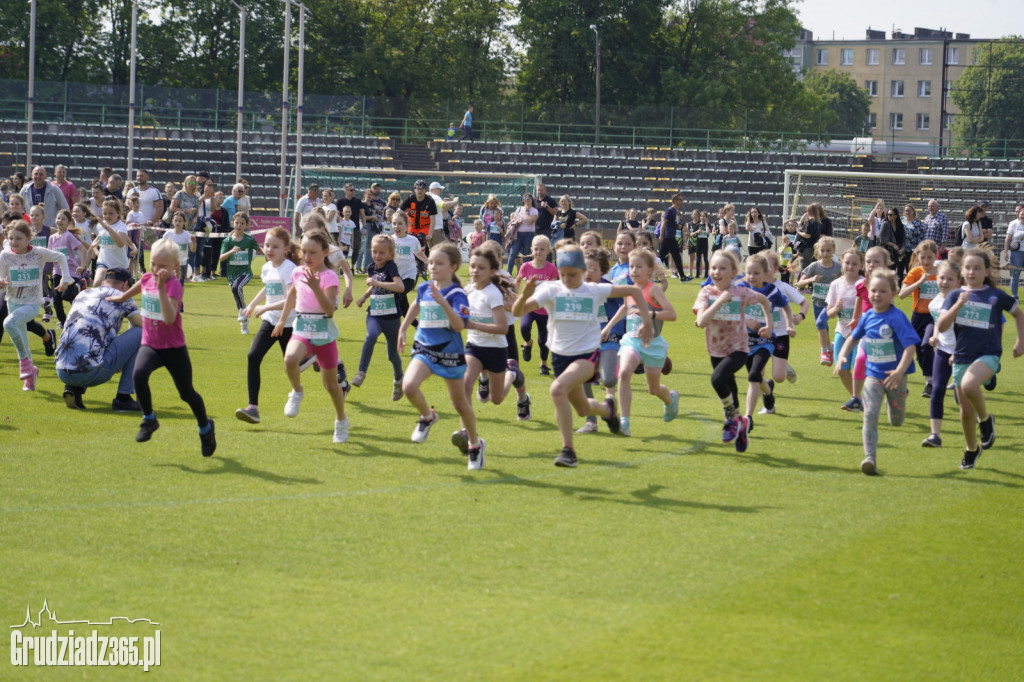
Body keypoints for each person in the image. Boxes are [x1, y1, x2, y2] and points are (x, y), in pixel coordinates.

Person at [512, 244, 651, 467]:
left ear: (583, 271)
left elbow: (634, 291)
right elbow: (517, 312)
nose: (567, 279)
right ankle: (607, 409)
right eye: (563, 274)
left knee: (557, 390)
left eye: (573, 275)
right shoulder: (551, 289)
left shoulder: (593, 290)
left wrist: (646, 323)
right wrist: (524, 296)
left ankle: (569, 451)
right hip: (559, 357)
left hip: (587, 354)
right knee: (583, 408)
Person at [105, 238, 216, 456]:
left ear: (176, 266)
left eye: (162, 266)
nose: (157, 269)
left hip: (174, 348)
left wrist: (163, 289)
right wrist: (121, 297)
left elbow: (168, 318)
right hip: (151, 345)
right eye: (154, 264)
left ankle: (205, 428)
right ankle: (149, 420)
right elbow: (140, 285)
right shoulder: (147, 277)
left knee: (187, 394)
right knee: (138, 375)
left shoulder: (174, 285)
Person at [397, 243, 485, 469]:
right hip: (424, 348)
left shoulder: (457, 294)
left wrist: (443, 302)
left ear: (453, 267)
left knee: (460, 405)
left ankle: (475, 445)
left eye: (439, 263)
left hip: (449, 353)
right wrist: (403, 328)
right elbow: (416, 304)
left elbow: (458, 327)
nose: (433, 266)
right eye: (431, 262)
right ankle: (427, 416)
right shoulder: (425, 286)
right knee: (409, 387)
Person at [937, 248, 1024, 469]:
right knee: (965, 412)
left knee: (968, 384)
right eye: (968, 267)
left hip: (989, 355)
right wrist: (958, 305)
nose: (972, 271)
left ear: (986, 271)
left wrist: (1021, 341)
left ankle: (985, 420)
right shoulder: (955, 295)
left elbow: (1018, 314)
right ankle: (971, 450)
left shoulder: (996, 296)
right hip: (962, 356)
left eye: (977, 268)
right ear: (962, 271)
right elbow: (942, 326)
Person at [836, 268, 919, 476]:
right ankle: (869, 459)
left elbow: (910, 347)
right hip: (873, 375)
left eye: (882, 291)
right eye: (873, 290)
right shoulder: (868, 317)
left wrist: (900, 372)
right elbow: (853, 338)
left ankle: (900, 396)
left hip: (896, 377)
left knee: (896, 421)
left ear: (892, 294)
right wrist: (842, 355)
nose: (876, 295)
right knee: (870, 414)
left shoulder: (897, 317)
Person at [272, 231, 351, 443]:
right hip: (302, 328)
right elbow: (292, 294)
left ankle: (341, 421)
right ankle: (297, 391)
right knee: (289, 359)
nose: (307, 256)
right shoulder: (298, 273)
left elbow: (329, 310)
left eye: (313, 252)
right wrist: (281, 319)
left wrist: (316, 287)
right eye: (304, 251)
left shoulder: (329, 277)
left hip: (324, 333)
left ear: (325, 252)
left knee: (331, 386)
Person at [693, 250, 772, 452]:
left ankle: (730, 422)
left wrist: (769, 325)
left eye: (722, 268)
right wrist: (720, 300)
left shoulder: (741, 293)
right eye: (713, 267)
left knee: (717, 380)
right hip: (715, 350)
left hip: (739, 349)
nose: (716, 272)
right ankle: (741, 426)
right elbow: (701, 322)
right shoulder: (706, 293)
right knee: (732, 393)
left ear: (734, 272)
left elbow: (765, 301)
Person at [454, 245, 529, 448]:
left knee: (496, 399)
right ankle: (467, 433)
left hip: (496, 348)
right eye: (472, 266)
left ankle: (512, 373)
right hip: (474, 345)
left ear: (493, 267)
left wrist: (473, 323)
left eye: (481, 267)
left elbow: (503, 327)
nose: (475, 271)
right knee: (465, 385)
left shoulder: (495, 291)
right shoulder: (469, 289)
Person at [602, 247, 679, 436]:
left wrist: (650, 314)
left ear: (649, 271)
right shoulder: (630, 289)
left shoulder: (652, 290)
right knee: (625, 373)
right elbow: (625, 309)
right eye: (631, 267)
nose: (633, 271)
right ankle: (625, 422)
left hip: (651, 344)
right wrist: (608, 326)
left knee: (653, 389)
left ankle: (670, 399)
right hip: (632, 341)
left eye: (638, 267)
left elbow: (671, 314)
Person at [236, 227, 301, 424]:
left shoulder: (289, 268)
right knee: (253, 356)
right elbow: (268, 288)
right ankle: (253, 407)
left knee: (295, 365)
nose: (269, 250)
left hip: (289, 323)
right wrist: (252, 305)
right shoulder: (267, 268)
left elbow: (292, 299)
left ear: (286, 249)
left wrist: (265, 307)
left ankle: (336, 374)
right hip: (272, 321)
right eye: (267, 245)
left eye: (275, 246)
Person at [55, 267, 142, 411]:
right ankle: (123, 398)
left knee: (85, 342)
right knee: (141, 333)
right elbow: (140, 326)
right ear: (125, 284)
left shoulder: (83, 293)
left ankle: (74, 389)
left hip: (61, 370)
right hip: (90, 371)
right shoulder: (122, 297)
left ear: (104, 281)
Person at [0, 220, 71, 390]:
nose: (14, 242)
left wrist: (65, 278)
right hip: (12, 302)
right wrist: (2, 282)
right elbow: (2, 276)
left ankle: (24, 364)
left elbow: (60, 257)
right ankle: (31, 375)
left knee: (8, 323)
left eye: (18, 238)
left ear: (28, 239)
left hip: (31, 304)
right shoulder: (4, 255)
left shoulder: (38, 253)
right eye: (11, 238)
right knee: (23, 342)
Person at [736, 254, 789, 432]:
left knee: (753, 376)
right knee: (757, 377)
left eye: (756, 273)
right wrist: (746, 322)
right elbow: (732, 312)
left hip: (765, 341)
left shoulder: (773, 291)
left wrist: (786, 325)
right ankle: (768, 393)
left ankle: (747, 417)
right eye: (749, 272)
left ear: (766, 273)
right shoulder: (740, 288)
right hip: (745, 342)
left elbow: (786, 306)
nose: (752, 276)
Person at [352, 234, 406, 398]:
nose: (377, 256)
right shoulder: (371, 267)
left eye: (382, 253)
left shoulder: (391, 267)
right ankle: (361, 372)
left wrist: (377, 283)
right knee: (371, 336)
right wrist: (364, 296)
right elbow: (373, 287)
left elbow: (400, 287)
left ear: (390, 254)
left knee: (392, 355)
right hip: (375, 313)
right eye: (374, 251)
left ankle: (398, 379)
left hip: (391, 317)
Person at [843, 246, 891, 412]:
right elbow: (859, 300)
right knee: (860, 359)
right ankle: (856, 398)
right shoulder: (861, 285)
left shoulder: (887, 285)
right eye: (868, 261)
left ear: (885, 264)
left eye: (876, 261)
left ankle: (894, 391)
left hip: (885, 332)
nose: (871, 265)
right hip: (867, 329)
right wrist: (855, 319)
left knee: (885, 366)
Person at [922, 260, 961, 448]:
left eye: (949, 279)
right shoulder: (935, 303)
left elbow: (967, 328)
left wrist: (959, 351)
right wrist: (935, 337)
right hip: (943, 350)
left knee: (963, 394)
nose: (944, 282)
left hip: (962, 352)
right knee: (937, 390)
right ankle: (934, 435)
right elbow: (939, 322)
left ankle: (982, 419)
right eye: (941, 278)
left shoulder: (963, 300)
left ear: (958, 281)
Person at [899, 240, 939, 397]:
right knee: (914, 349)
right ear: (918, 257)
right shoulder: (915, 273)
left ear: (936, 256)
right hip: (918, 316)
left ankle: (930, 382)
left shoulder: (942, 272)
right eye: (923, 258)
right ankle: (933, 375)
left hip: (934, 316)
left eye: (930, 257)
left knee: (926, 345)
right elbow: (902, 294)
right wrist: (921, 281)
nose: (926, 262)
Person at [826, 249, 864, 412]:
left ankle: (861, 398)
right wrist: (836, 308)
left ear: (861, 265)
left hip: (861, 333)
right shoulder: (835, 284)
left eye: (855, 263)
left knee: (859, 367)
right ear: (841, 262)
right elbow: (829, 313)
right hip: (842, 331)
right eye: (847, 262)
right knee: (842, 370)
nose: (850, 266)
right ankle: (859, 400)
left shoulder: (864, 283)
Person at [517, 234, 558, 376]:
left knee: (543, 340)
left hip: (545, 310)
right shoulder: (525, 266)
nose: (538, 252)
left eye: (542, 249)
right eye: (536, 249)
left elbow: (554, 289)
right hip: (529, 306)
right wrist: (515, 295)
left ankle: (544, 364)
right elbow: (517, 281)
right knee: (524, 328)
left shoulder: (552, 269)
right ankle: (528, 343)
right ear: (531, 250)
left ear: (548, 251)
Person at [797, 236, 840, 366]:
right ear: (818, 251)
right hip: (817, 302)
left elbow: (844, 282)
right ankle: (830, 347)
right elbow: (799, 283)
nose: (825, 253)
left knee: (820, 323)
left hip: (830, 304)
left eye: (828, 250)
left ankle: (824, 352)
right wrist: (811, 279)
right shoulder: (814, 266)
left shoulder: (838, 267)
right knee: (823, 327)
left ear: (833, 250)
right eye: (823, 250)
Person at [218, 213, 261, 334]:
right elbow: (221, 258)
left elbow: (259, 249)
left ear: (246, 225)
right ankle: (244, 323)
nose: (239, 225)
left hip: (245, 272)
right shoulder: (227, 241)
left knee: (236, 288)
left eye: (242, 223)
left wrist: (270, 257)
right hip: (232, 274)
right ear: (232, 223)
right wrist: (231, 251)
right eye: (237, 222)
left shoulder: (249, 240)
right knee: (237, 292)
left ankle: (243, 312)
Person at [47, 209, 89, 327]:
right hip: (57, 271)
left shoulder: (69, 236)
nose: (60, 221)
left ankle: (78, 291)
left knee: (67, 295)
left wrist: (82, 265)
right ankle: (64, 322)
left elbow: (83, 249)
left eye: (63, 219)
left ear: (69, 222)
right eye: (58, 218)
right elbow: (50, 255)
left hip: (71, 272)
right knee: (56, 299)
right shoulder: (52, 238)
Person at [390, 211, 429, 323]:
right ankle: (418, 325)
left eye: (400, 224)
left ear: (407, 225)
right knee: (404, 308)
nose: (396, 226)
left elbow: (418, 253)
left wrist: (428, 262)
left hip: (409, 277)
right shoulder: (390, 240)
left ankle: (393, 326)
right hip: (395, 278)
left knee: (396, 297)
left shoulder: (413, 240)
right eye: (394, 223)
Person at [91, 198, 132, 286]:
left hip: (119, 265)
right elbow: (95, 242)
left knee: (116, 290)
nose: (107, 216)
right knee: (97, 284)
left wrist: (108, 228)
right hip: (104, 262)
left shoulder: (121, 226)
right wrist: (97, 253)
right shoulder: (100, 225)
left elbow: (120, 244)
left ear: (118, 213)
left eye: (111, 213)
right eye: (105, 213)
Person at [504, 193, 538, 274]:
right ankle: (509, 273)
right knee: (513, 253)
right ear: (523, 200)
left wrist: (526, 212)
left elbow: (531, 221)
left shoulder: (534, 210)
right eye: (525, 198)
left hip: (529, 235)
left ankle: (524, 274)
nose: (527, 200)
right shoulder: (519, 209)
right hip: (518, 234)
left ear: (531, 200)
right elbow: (514, 221)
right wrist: (517, 222)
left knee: (526, 255)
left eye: (528, 198)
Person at [658, 195, 686, 282]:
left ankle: (651, 276)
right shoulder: (670, 210)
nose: (682, 201)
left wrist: (677, 226)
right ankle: (682, 276)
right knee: (676, 256)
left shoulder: (675, 211)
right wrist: (661, 235)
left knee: (660, 258)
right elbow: (663, 223)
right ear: (675, 201)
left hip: (669, 236)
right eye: (680, 199)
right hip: (668, 237)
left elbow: (672, 223)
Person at [163, 211, 195, 287]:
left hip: (182, 264)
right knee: (168, 284)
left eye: (180, 221)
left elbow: (192, 249)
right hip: (170, 263)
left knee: (180, 285)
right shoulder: (168, 234)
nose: (177, 223)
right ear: (172, 221)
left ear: (184, 222)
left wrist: (194, 242)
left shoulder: (187, 235)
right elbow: (162, 247)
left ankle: (177, 299)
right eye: (176, 220)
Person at [1003, 203, 1024, 299]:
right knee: (1015, 275)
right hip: (1017, 253)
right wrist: (1006, 251)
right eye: (1021, 214)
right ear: (1019, 214)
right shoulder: (1013, 224)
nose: (1022, 216)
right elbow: (1008, 239)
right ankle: (1014, 297)